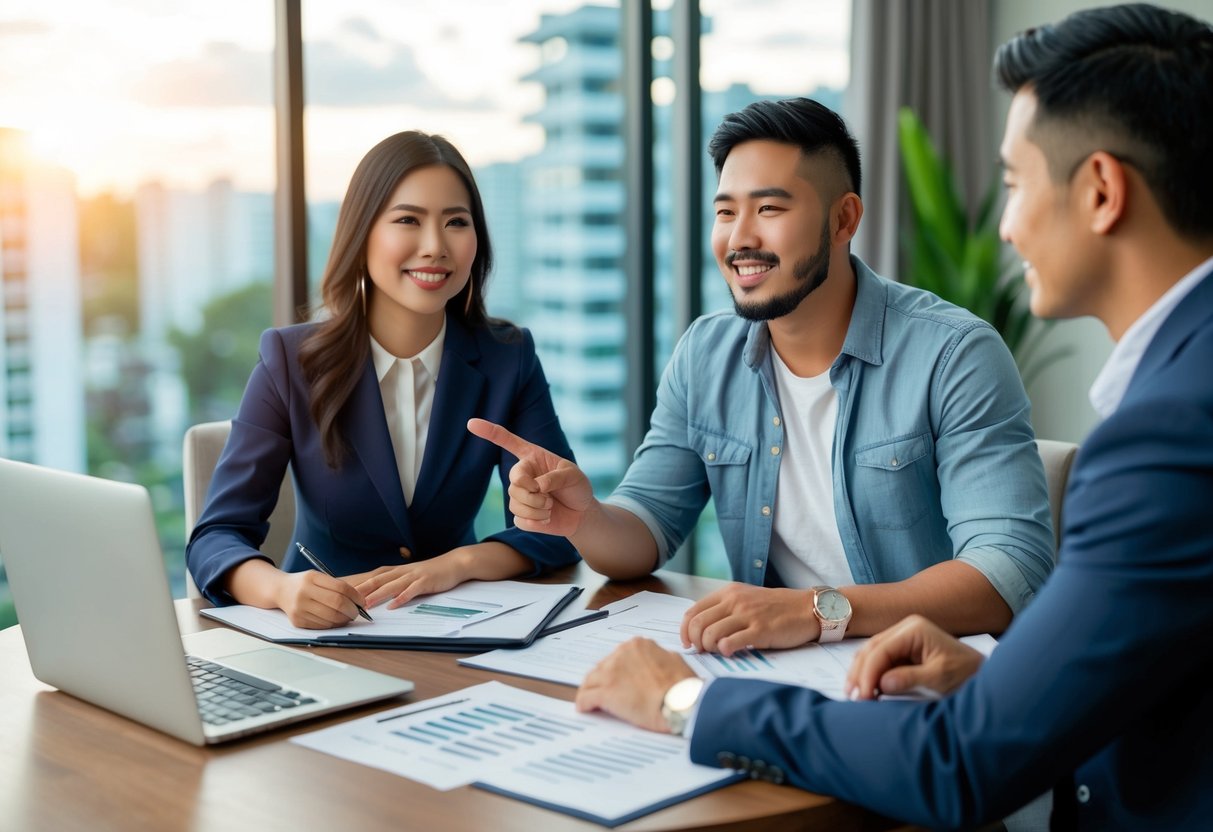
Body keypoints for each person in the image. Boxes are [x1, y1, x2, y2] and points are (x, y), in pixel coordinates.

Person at [573, 4, 1213, 829]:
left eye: (1013, 184)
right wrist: (989, 685)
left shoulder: (1164, 434)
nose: (1006, 225)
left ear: (1098, 191)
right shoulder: (1177, 389)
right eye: (725, 209)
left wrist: (685, 700)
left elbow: (960, 763)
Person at [470, 96, 1054, 654]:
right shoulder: (705, 354)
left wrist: (813, 611)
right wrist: (586, 518)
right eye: (726, 211)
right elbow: (644, 529)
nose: (740, 238)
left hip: (923, 680)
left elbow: (1007, 570)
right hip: (780, 665)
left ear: (844, 219)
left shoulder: (954, 354)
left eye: (769, 209)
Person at [187, 131, 578, 628]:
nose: (435, 246)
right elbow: (216, 538)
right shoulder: (290, 360)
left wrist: (456, 564)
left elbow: (562, 525)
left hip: (459, 630)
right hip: (323, 635)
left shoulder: (508, 358)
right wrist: (281, 590)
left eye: (456, 222)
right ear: (362, 233)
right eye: (408, 220)